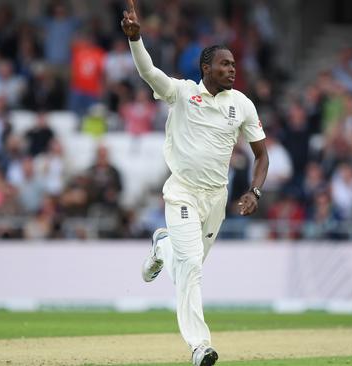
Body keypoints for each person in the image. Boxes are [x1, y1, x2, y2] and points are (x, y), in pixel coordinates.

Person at [121, 1, 269, 365]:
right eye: (225, 64)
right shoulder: (183, 93)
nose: (232, 69)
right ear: (207, 68)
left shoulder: (243, 105)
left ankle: (162, 247)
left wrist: (255, 191)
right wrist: (136, 40)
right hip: (183, 192)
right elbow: (149, 73)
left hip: (215, 200)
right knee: (191, 269)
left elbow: (262, 156)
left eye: (234, 64)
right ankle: (200, 345)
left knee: (188, 265)